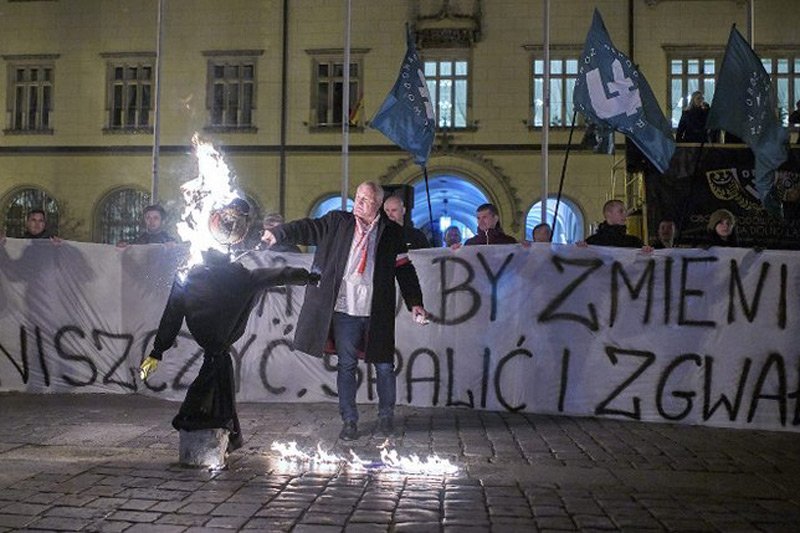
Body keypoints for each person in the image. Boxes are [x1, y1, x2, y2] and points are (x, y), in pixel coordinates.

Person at [139, 199, 318, 459]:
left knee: (209, 389)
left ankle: (205, 445)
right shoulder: (240, 277)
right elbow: (276, 274)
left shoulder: (190, 277)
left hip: (214, 345)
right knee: (210, 391)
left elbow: (171, 317)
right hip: (219, 345)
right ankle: (209, 444)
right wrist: (309, 276)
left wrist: (157, 351)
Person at [261, 181, 428, 441]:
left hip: (376, 311)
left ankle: (386, 417)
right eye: (358, 197)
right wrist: (279, 233)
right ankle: (349, 420)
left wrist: (415, 302)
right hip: (343, 310)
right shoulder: (338, 222)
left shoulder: (392, 233)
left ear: (378, 204)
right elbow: (308, 228)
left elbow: (404, 269)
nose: (358, 203)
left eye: (365, 200)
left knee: (384, 366)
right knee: (346, 365)